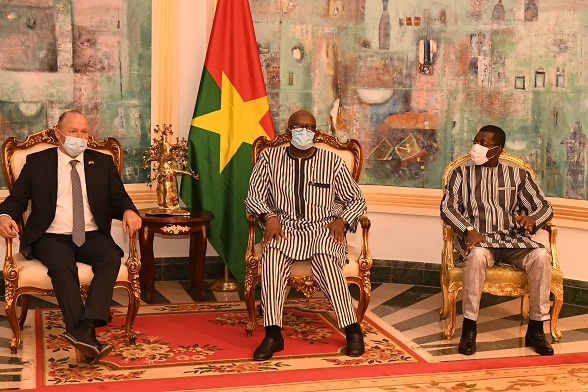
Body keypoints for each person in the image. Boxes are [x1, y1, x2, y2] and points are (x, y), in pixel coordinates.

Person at [0, 110, 142, 364]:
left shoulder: (102, 163)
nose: (80, 137)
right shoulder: (37, 162)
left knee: (111, 257)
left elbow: (119, 198)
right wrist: (4, 216)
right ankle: (84, 333)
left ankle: (84, 328)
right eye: (73, 131)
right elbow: (16, 200)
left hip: (90, 233)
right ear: (58, 134)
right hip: (50, 235)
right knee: (63, 267)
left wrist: (130, 211)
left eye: (84, 132)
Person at [245, 109, 367, 361]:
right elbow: (254, 197)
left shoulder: (332, 162)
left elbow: (356, 199)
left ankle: (352, 330)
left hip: (321, 228)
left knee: (326, 262)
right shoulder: (269, 159)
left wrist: (341, 220)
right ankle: (272, 333)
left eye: (310, 127)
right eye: (299, 127)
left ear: (315, 131)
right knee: (272, 261)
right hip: (284, 227)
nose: (305, 132)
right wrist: (269, 217)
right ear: (288, 130)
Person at [440, 124, 554, 356]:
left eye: (483, 144)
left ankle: (537, 329)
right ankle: (469, 329)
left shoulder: (517, 175)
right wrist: (468, 229)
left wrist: (532, 219)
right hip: (481, 240)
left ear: (498, 150)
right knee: (477, 255)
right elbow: (447, 207)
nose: (476, 147)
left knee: (542, 255)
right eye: (475, 141)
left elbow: (544, 206)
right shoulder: (460, 174)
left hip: (512, 240)